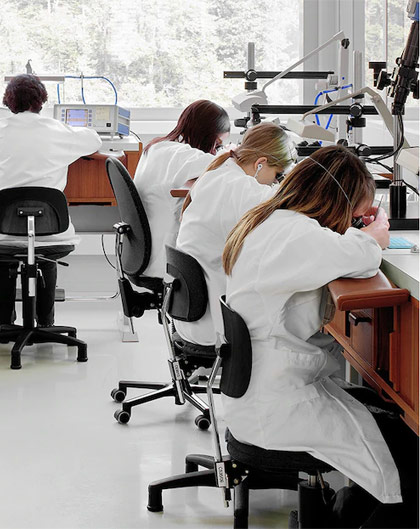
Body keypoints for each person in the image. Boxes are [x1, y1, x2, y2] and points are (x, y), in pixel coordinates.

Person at [221, 145, 417, 528]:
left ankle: (343, 513)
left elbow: (337, 247)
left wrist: (359, 226)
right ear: (335, 200)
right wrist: (374, 231)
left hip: (265, 395)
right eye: (353, 213)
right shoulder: (295, 236)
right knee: (409, 468)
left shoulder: (272, 221)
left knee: (392, 427)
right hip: (281, 408)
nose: (352, 222)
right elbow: (362, 255)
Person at [0, 74, 101, 328]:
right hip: (51, 230)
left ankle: (4, 325)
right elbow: (93, 139)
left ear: (8, 103)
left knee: (3, 257)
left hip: (1, 231)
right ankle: (45, 324)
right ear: (41, 102)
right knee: (45, 254)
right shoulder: (59, 131)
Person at [173, 122, 293, 346]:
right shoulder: (242, 189)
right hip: (217, 324)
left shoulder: (217, 174)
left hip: (193, 313)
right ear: (260, 163)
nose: (275, 182)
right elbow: (285, 208)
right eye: (277, 175)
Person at [133, 99, 231, 280]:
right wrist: (235, 154)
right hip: (164, 260)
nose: (215, 151)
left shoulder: (157, 147)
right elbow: (224, 166)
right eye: (217, 145)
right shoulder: (178, 153)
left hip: (145, 253)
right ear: (205, 134)